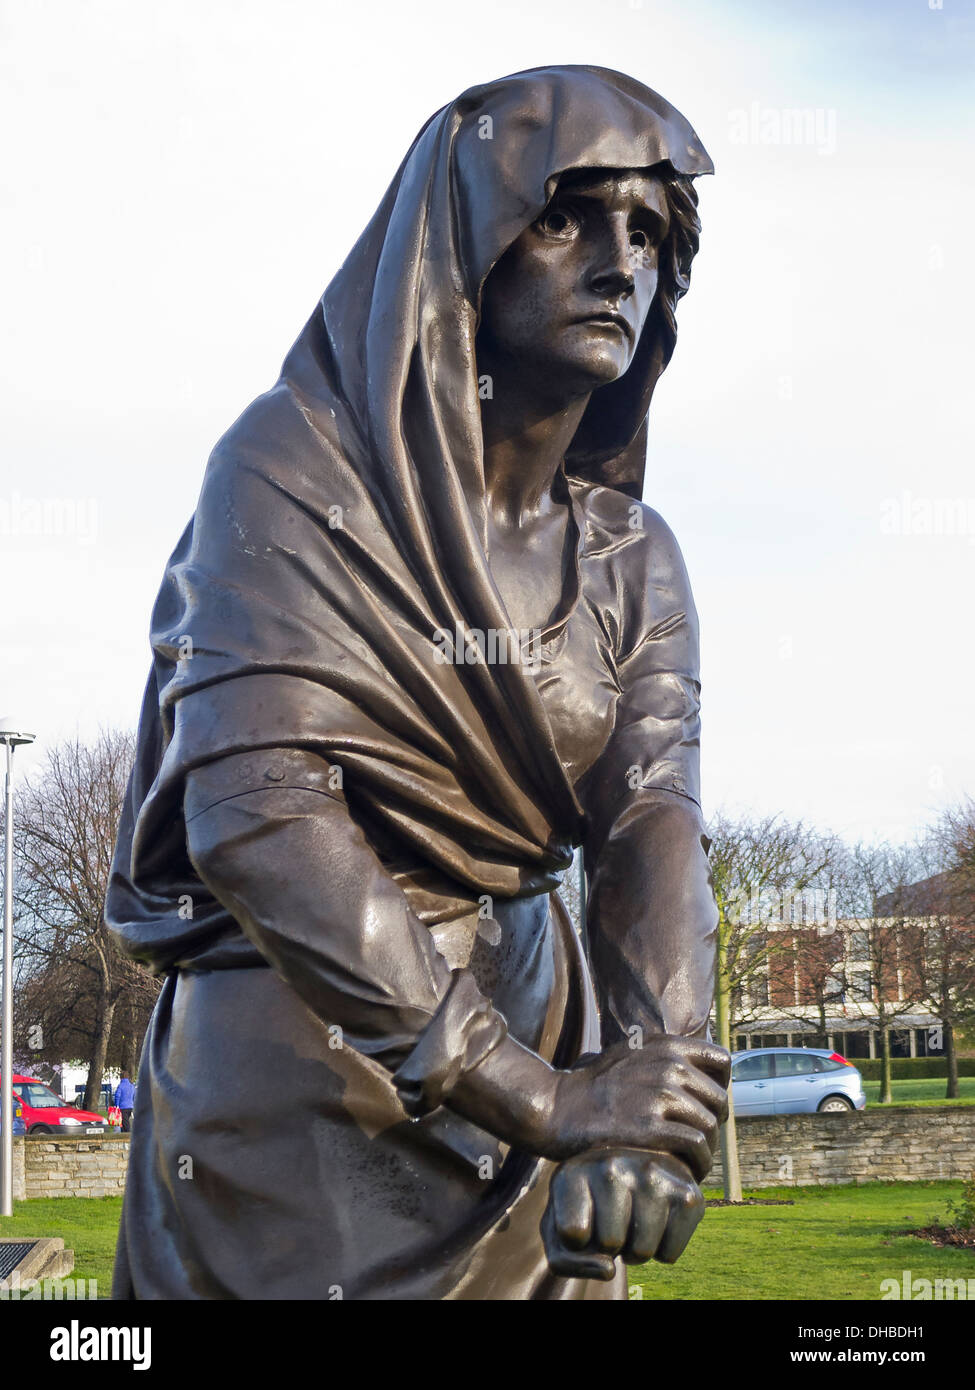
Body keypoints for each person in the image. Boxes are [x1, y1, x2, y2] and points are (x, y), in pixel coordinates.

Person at [107, 65, 729, 1300]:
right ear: (460, 245)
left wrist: (647, 1106)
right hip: (306, 1075)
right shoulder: (289, 470)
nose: (620, 263)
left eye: (649, 233)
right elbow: (261, 808)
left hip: (541, 1063)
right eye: (566, 216)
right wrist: (542, 1096)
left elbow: (653, 818)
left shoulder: (631, 559)